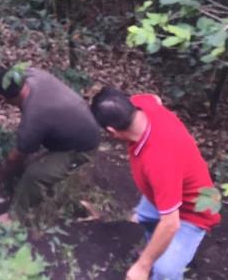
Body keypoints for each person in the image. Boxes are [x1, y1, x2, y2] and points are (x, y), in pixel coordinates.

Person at [90, 87, 220, 280]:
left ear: (111, 131)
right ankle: (159, 246)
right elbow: (156, 99)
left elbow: (171, 223)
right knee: (145, 217)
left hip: (193, 211)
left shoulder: (159, 160)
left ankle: (166, 257)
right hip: (165, 192)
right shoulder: (142, 105)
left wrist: (143, 265)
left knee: (164, 270)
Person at [0, 66, 100, 223]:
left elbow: (16, 157)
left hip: (81, 147)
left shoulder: (34, 117)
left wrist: (2, 174)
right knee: (29, 162)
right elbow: (7, 79)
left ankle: (14, 218)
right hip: (74, 126)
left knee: (34, 174)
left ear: (8, 99)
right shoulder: (30, 74)